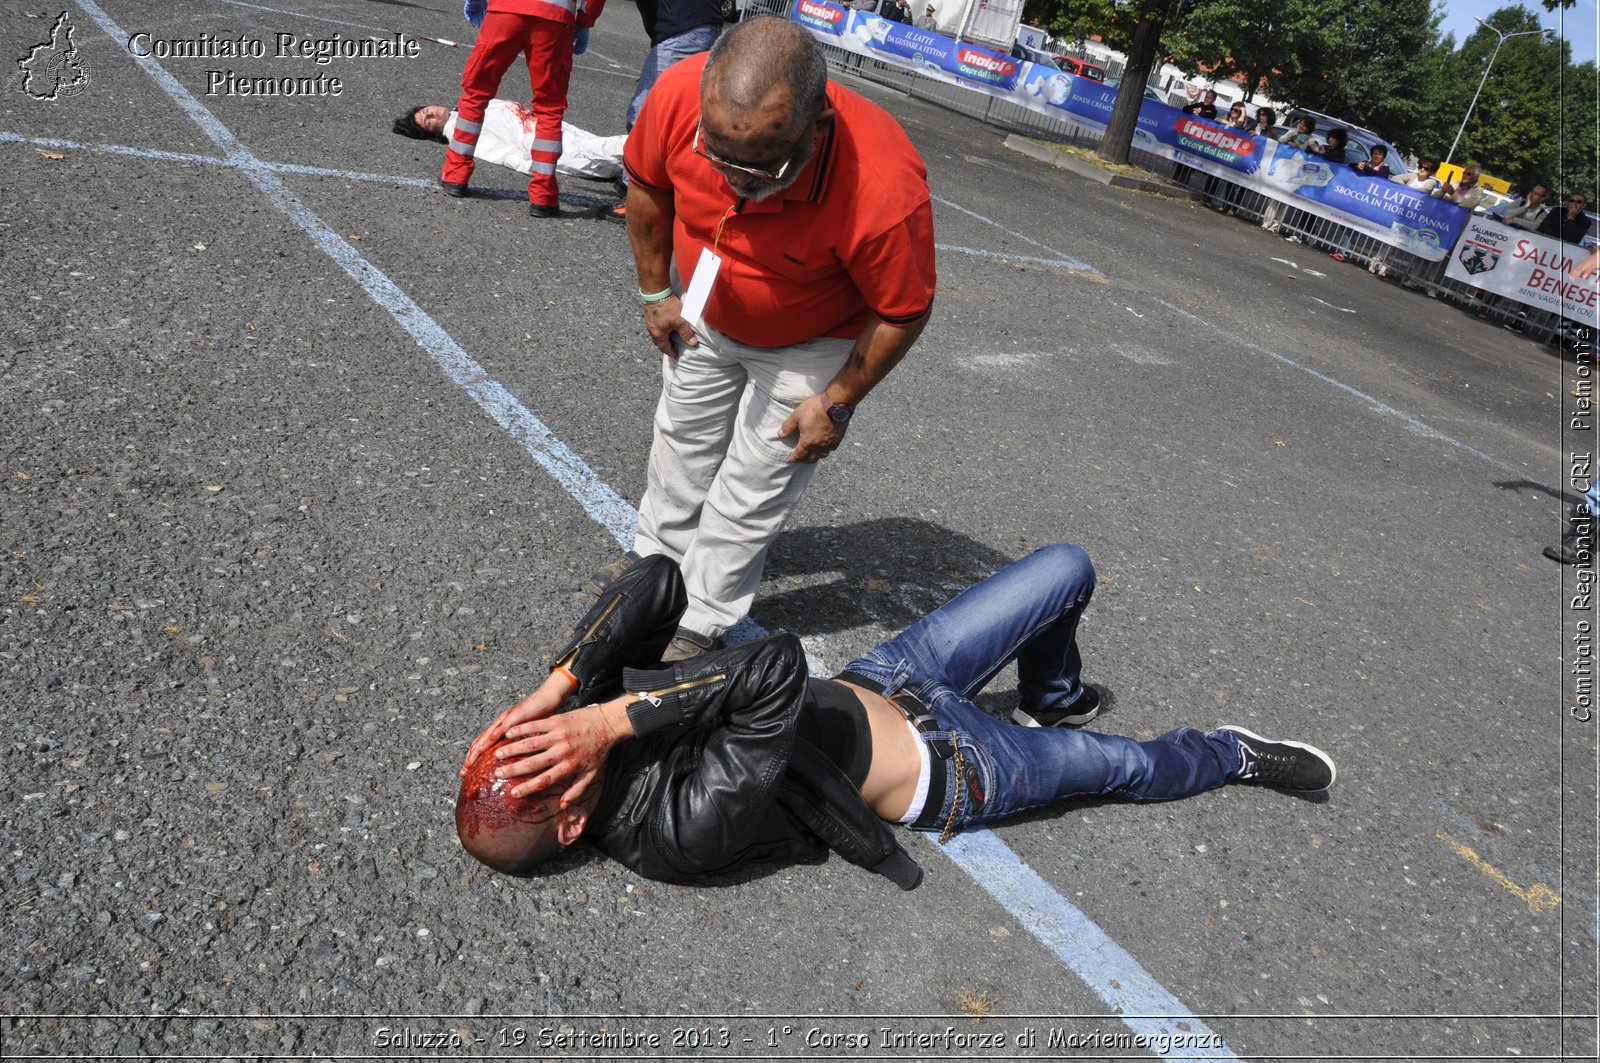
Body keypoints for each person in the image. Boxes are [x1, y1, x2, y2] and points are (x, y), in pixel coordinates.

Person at [455, 545, 1338, 886]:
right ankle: (1229, 755)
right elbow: (771, 667)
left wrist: (558, 685)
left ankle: (1051, 697)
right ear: (571, 821)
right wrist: (606, 722)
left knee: (1068, 569)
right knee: (1129, 767)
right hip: (959, 767)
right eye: (530, 759)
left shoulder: (567, 733)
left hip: (894, 675)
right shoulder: (674, 831)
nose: (539, 740)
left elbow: (659, 578)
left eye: (514, 740)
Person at [610, 17, 936, 660]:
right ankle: (652, 575)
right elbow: (647, 186)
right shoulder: (679, 93)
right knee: (681, 445)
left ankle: (699, 618)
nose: (735, 179)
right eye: (719, 156)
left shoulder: (884, 187)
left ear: (817, 129)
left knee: (754, 482)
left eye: (761, 165)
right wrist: (655, 293)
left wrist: (838, 399)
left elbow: (902, 309)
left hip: (813, 337)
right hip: (705, 306)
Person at [443, 0, 608, 217]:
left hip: (506, 10)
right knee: (550, 109)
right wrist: (585, 21)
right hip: (555, 18)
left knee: (476, 93)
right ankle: (544, 196)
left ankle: (456, 174)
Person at [394, 101, 626, 181]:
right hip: (546, 145)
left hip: (548, 126)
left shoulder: (465, 107)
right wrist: (533, 167)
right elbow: (497, 152)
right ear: (433, 132)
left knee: (602, 148)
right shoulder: (458, 131)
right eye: (428, 121)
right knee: (604, 158)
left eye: (426, 110)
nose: (432, 113)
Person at [1366, 158, 1440, 278]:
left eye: (1426, 168)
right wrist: (1406, 187)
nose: (1422, 169)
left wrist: (1407, 189)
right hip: (1401, 212)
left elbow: (1424, 190)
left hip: (1412, 217)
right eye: (1421, 165)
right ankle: (1376, 260)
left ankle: (1384, 264)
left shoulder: (1431, 182)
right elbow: (1395, 178)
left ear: (1431, 172)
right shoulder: (1412, 175)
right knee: (1389, 240)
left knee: (1398, 241)